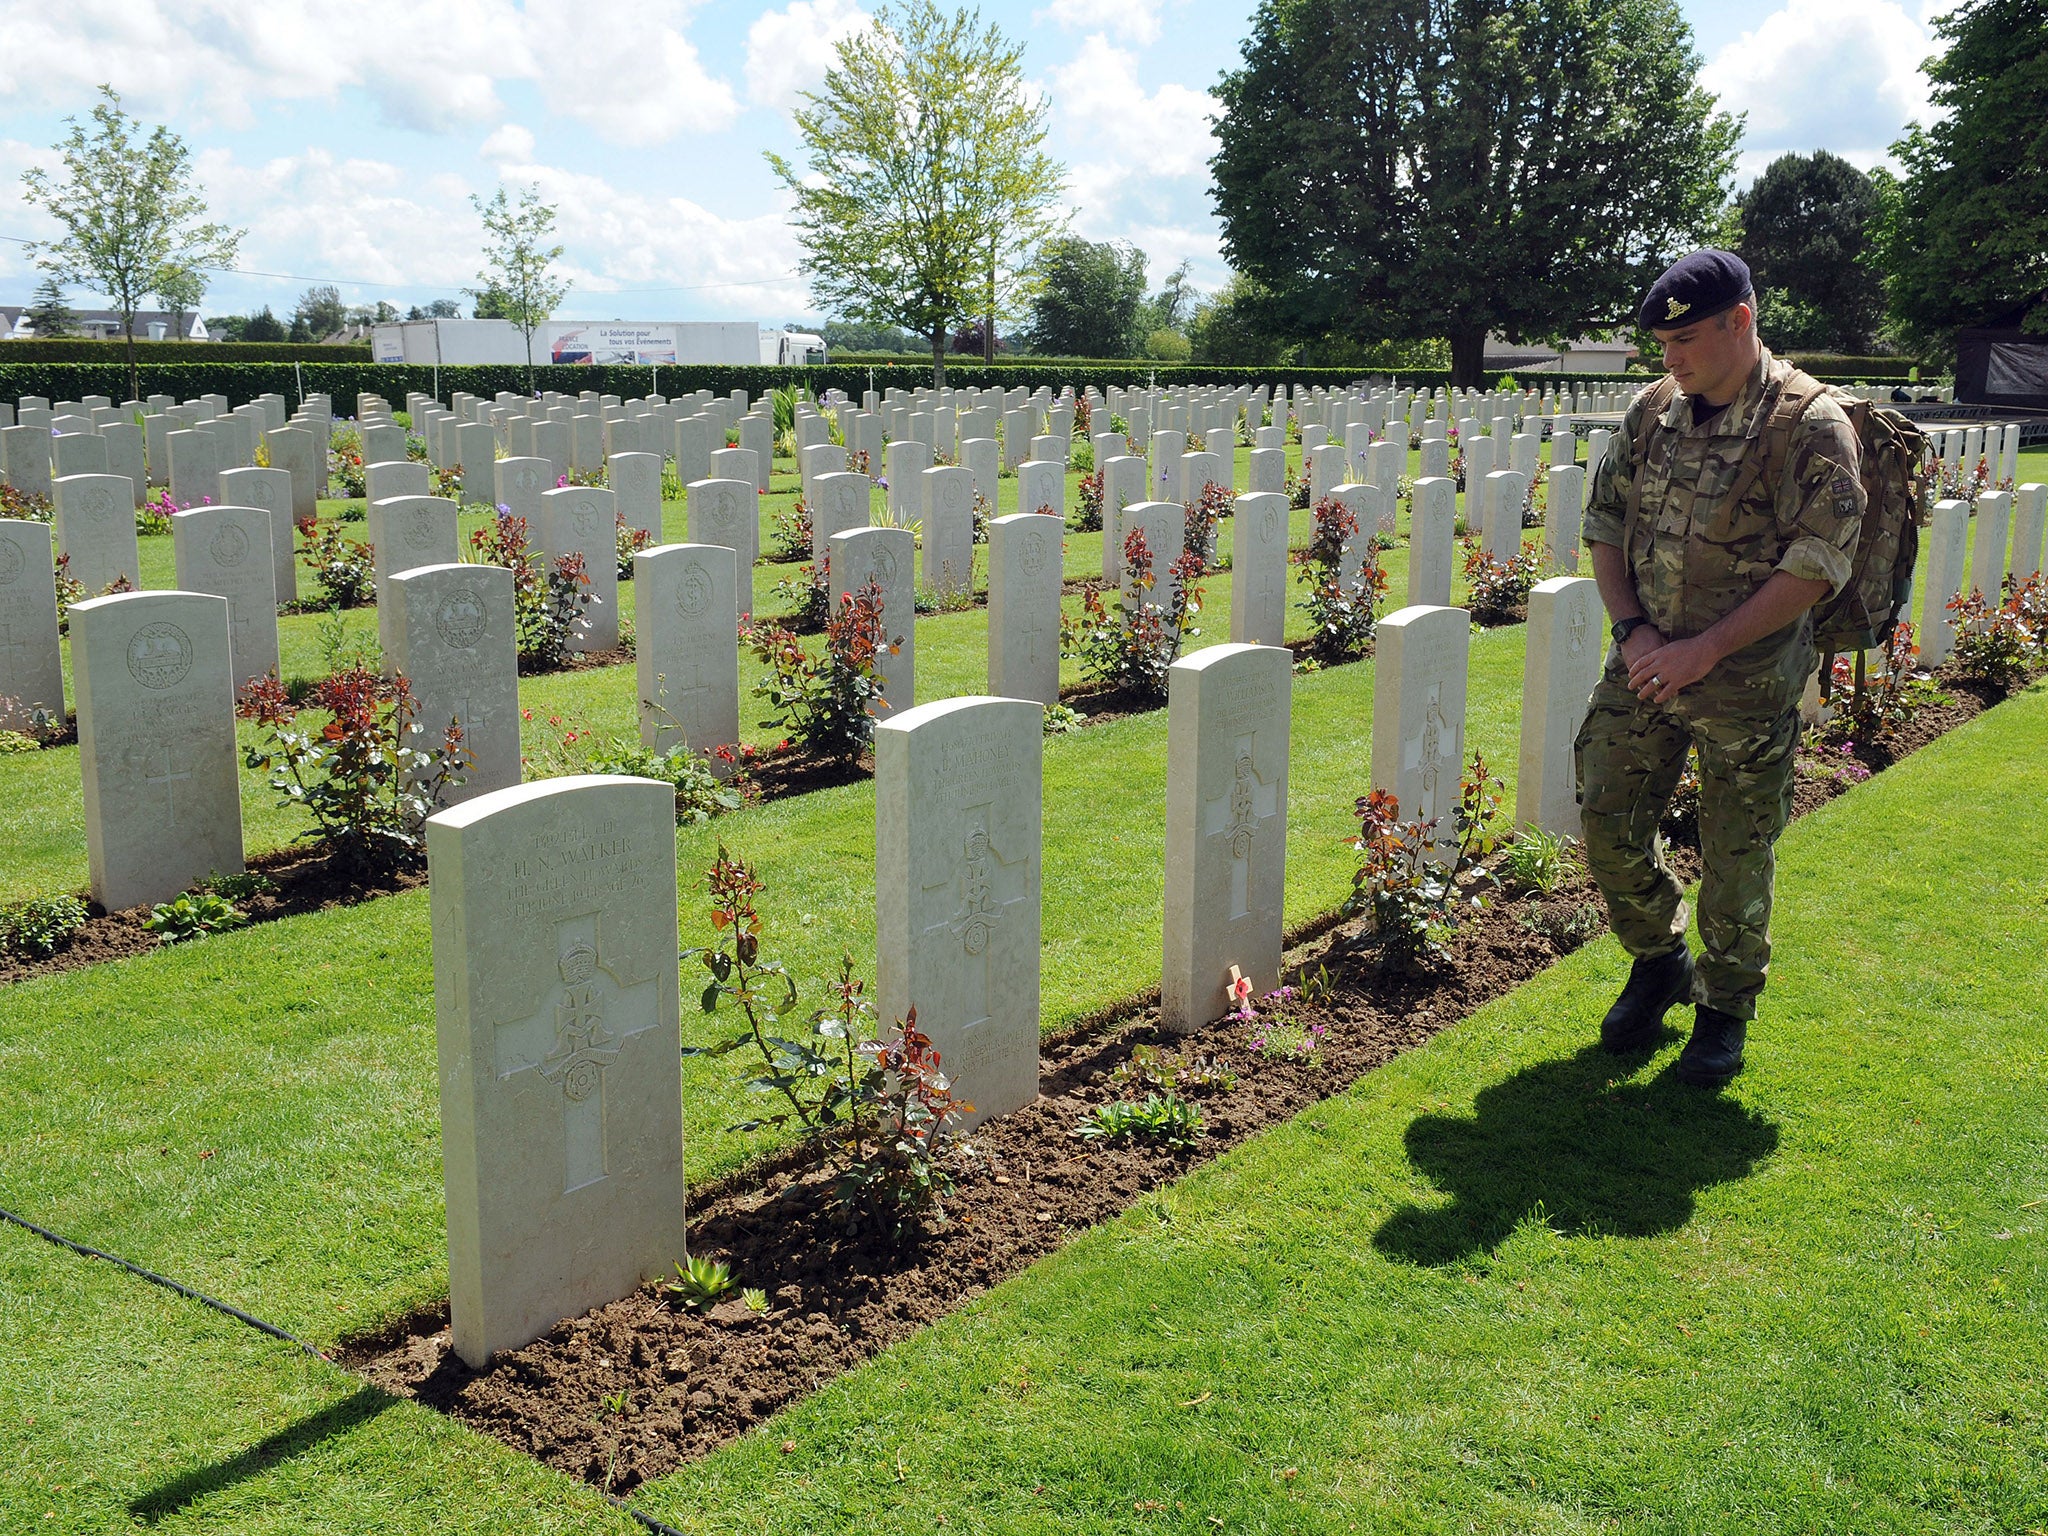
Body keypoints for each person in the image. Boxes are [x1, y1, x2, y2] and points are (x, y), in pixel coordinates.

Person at [1574, 250, 1866, 1086]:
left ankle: (1726, 1007)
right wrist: (1632, 632)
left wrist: (1706, 647)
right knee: (1605, 816)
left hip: (1745, 683)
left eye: (1688, 340)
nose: (1670, 361)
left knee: (1737, 851)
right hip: (1646, 667)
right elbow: (1604, 524)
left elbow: (1817, 563)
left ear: (1741, 321)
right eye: (1661, 344)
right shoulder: (1654, 411)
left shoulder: (1810, 426)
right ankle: (1659, 957)